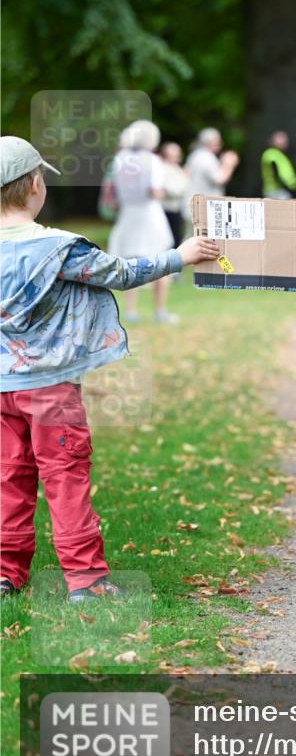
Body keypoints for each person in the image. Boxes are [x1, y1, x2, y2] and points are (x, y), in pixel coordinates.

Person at [0, 136, 219, 602]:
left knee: (9, 480)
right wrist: (179, 256)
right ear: (36, 184)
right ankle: (85, 580)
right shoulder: (60, 249)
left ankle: (5, 574)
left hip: (1, 389)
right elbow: (120, 273)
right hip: (51, 391)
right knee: (65, 478)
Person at [107, 120, 176, 324]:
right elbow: (155, 191)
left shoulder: (119, 159)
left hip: (128, 215)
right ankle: (160, 310)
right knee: (162, 262)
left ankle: (130, 311)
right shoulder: (153, 161)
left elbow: (113, 192)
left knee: (130, 263)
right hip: (149, 214)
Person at [183, 127, 239, 224]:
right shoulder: (208, 158)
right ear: (210, 142)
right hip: (203, 209)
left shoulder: (194, 155)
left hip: (192, 205)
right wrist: (229, 163)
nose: (220, 145)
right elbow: (220, 179)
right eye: (218, 142)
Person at [159, 141, 188, 247]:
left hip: (176, 209)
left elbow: (184, 186)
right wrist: (180, 191)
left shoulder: (177, 169)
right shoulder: (162, 168)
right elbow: (169, 189)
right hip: (165, 209)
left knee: (176, 237)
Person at [261, 131, 296, 199]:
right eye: (280, 139)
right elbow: (275, 170)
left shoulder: (279, 154)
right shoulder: (271, 153)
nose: (284, 142)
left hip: (280, 189)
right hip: (277, 190)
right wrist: (285, 185)